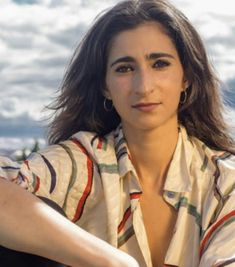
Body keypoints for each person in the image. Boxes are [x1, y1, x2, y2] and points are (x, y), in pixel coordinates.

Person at [0, 0, 235, 266]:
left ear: (187, 78)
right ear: (105, 87)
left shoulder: (225, 182)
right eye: (125, 68)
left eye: (159, 64)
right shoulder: (85, 162)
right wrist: (113, 261)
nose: (144, 86)